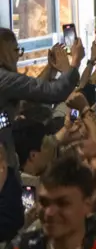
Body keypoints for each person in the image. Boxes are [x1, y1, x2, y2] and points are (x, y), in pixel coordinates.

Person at [0, 32, 84, 166]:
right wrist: (75, 62)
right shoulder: (4, 78)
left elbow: (27, 95)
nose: (18, 56)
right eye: (16, 50)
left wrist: (50, 69)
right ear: (4, 53)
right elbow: (54, 92)